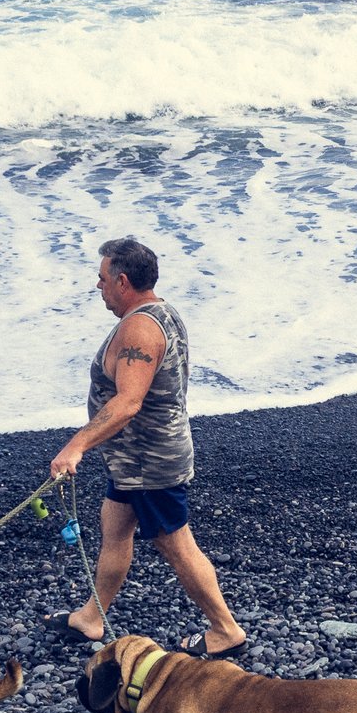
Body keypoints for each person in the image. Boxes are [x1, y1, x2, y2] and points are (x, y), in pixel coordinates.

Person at [50, 237, 249, 660]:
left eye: (102, 279)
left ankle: (225, 629)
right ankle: (92, 616)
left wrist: (75, 446)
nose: (97, 285)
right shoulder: (162, 312)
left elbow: (128, 402)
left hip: (149, 462)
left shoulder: (139, 327)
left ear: (122, 281)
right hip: (134, 459)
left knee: (176, 544)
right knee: (115, 528)